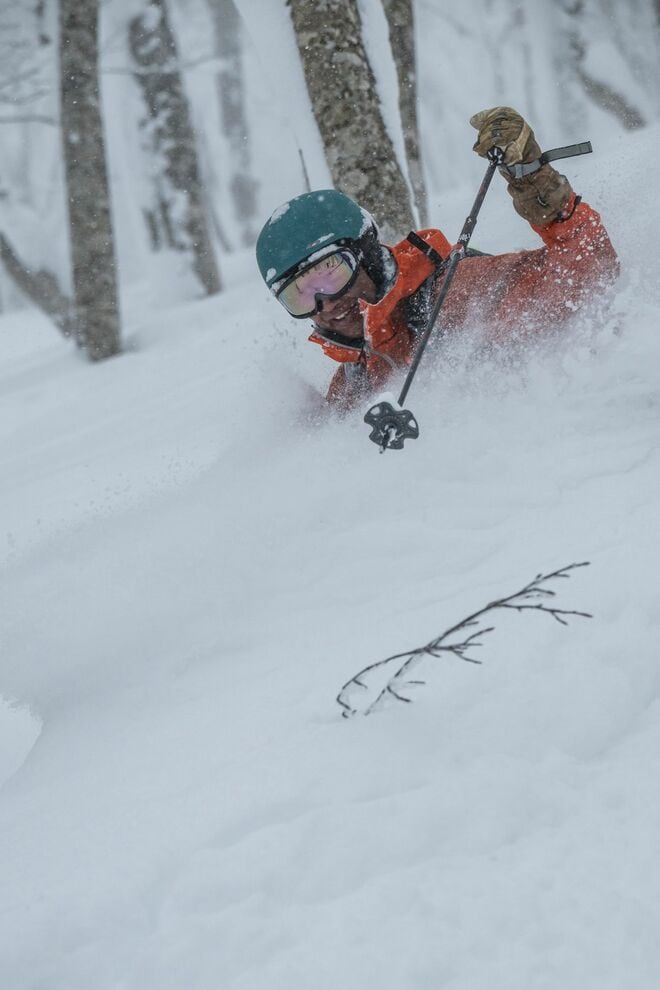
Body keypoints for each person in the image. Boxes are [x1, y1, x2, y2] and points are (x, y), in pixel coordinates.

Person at [256, 107, 619, 410]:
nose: (326, 304)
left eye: (331, 274)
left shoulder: (449, 297)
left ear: (364, 254)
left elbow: (586, 277)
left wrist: (535, 183)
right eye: (299, 296)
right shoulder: (357, 376)